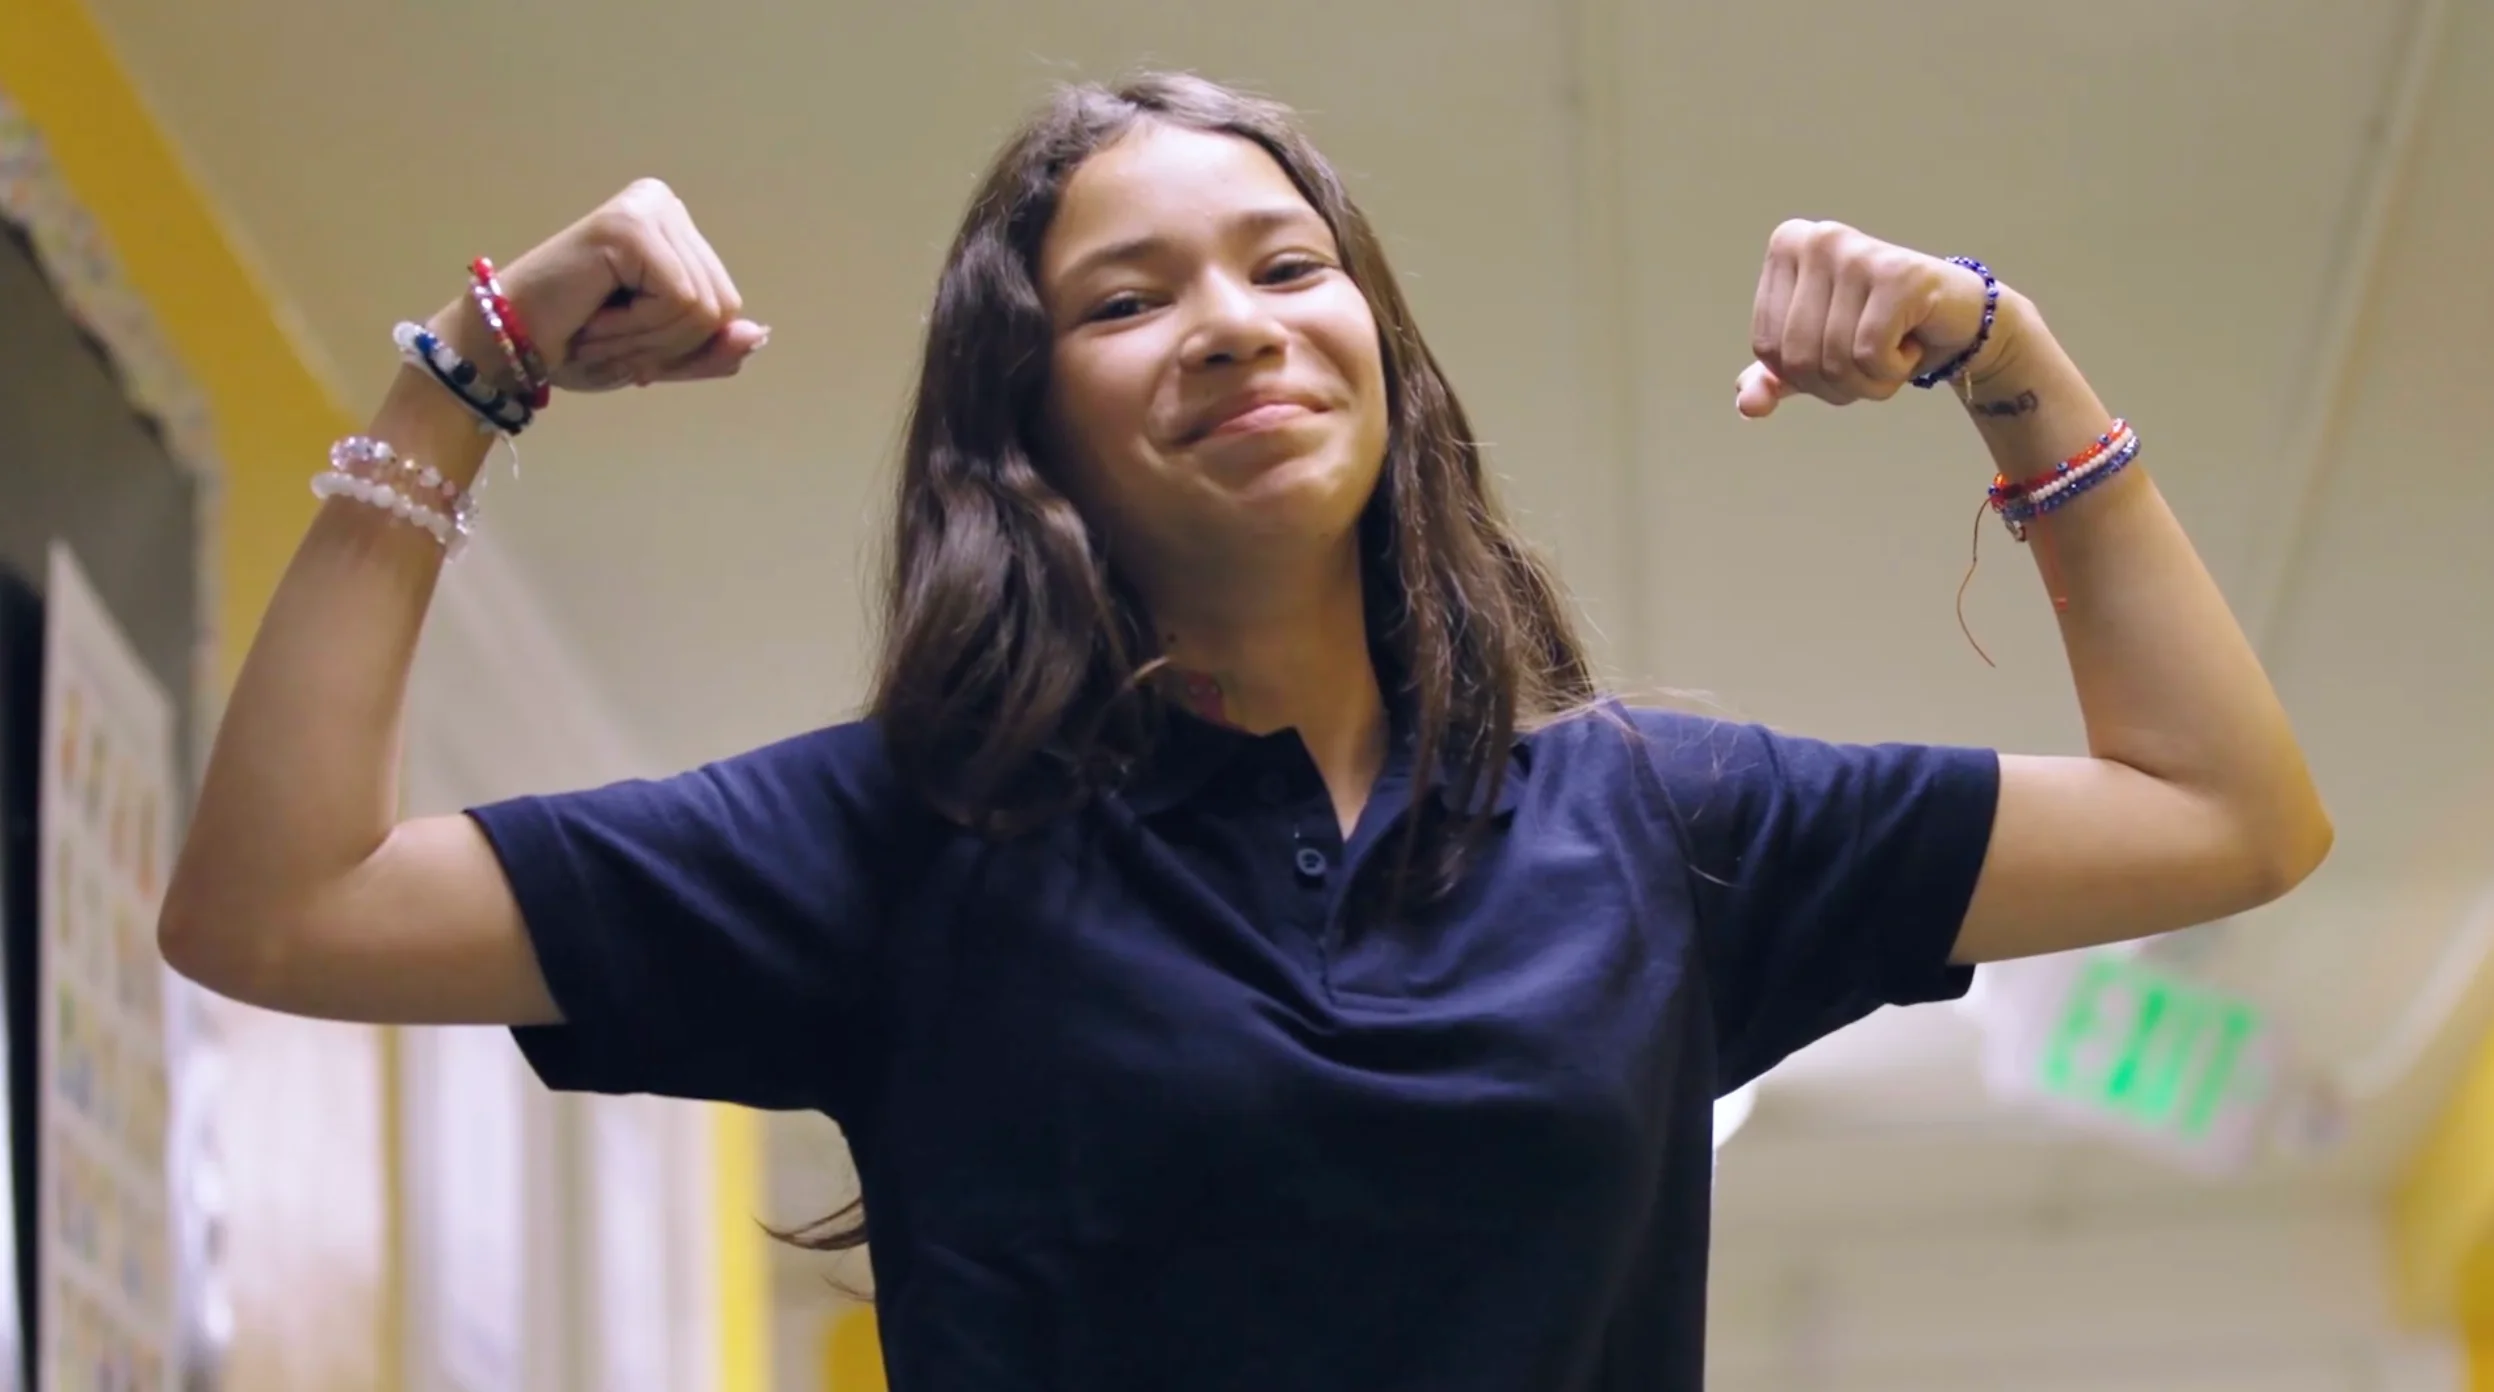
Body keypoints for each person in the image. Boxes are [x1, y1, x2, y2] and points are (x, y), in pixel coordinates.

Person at [160, 71, 2330, 1391]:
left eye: (1286, 267)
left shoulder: (1654, 827)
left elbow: (2222, 814)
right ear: (1032, 433)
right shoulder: (902, 845)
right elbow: (276, 911)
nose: (1228, 327)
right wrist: (465, 375)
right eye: (1125, 301)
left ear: (1377, 344)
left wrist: (2000, 361)